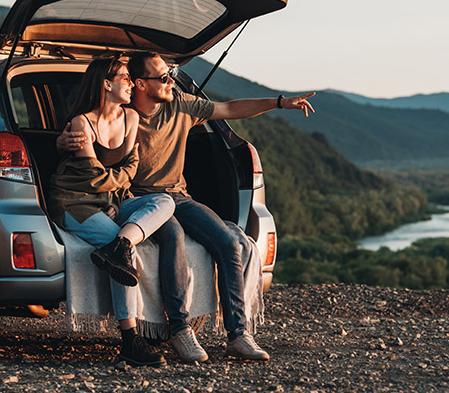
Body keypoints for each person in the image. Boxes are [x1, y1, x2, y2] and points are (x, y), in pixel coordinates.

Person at [60, 52, 315, 363]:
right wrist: (63, 140)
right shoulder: (123, 111)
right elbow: (93, 131)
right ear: (140, 83)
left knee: (228, 241)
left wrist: (279, 102)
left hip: (177, 196)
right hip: (136, 199)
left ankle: (239, 334)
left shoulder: (180, 104)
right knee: (173, 237)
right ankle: (181, 330)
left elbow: (229, 108)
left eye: (170, 75)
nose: (171, 81)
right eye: (163, 77)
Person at [49, 58, 176, 367]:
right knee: (128, 259)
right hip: (74, 201)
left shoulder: (131, 117)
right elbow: (94, 176)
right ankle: (131, 341)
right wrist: (114, 188)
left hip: (110, 201)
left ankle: (119, 245)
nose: (132, 83)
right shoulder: (82, 123)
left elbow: (130, 170)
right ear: (106, 83)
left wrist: (115, 205)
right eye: (125, 78)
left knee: (165, 203)